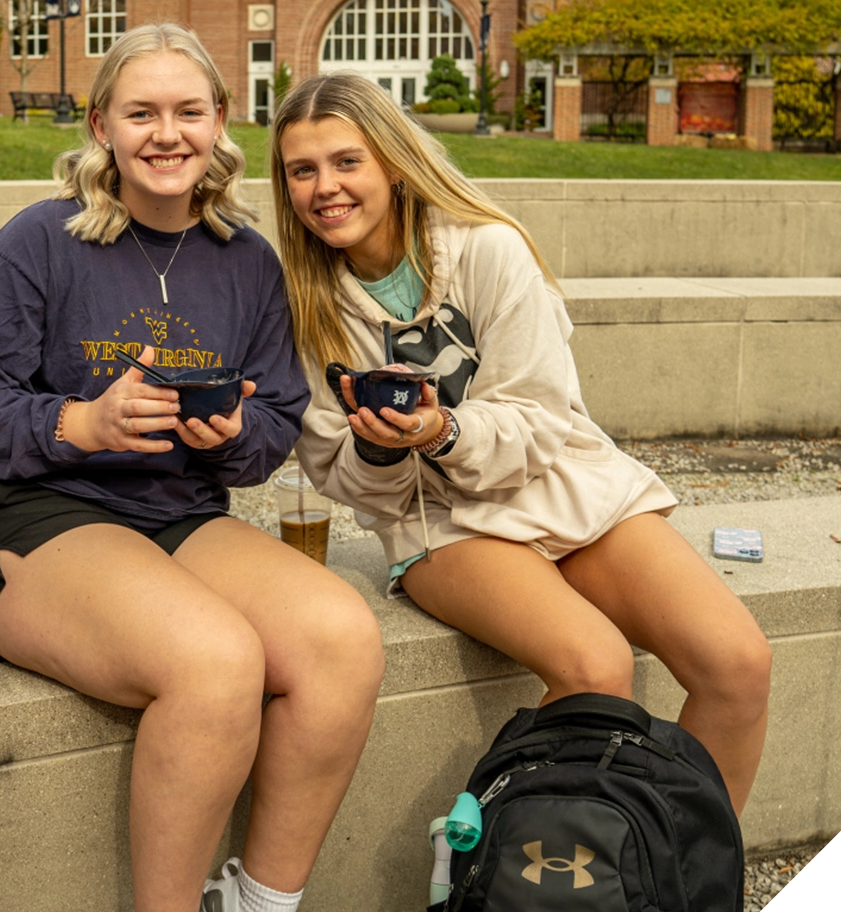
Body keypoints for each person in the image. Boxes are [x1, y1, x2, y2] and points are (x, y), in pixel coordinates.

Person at [0, 23, 384, 912]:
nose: (166, 134)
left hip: (179, 511)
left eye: (188, 111)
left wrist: (233, 436)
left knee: (343, 639)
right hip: (33, 511)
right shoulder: (38, 243)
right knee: (214, 660)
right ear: (102, 125)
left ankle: (258, 901)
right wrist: (80, 421)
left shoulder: (248, 260)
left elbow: (274, 425)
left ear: (221, 121)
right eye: (141, 112)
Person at [271, 72, 771, 814]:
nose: (325, 188)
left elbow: (539, 419)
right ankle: (571, 885)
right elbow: (342, 478)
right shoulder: (305, 304)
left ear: (395, 164)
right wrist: (379, 449)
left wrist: (441, 428)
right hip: (442, 523)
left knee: (738, 663)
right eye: (301, 170)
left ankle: (675, 874)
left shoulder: (489, 250)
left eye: (347, 162)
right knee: (595, 665)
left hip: (562, 485)